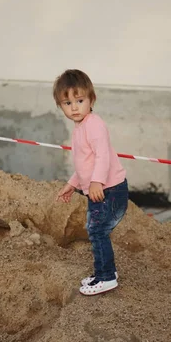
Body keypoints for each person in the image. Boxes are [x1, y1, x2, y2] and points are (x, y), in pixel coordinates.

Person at [53, 69, 128, 296]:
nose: (74, 107)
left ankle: (106, 278)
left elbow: (103, 156)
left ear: (91, 100)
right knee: (96, 230)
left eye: (80, 100)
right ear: (60, 106)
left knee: (97, 231)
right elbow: (85, 164)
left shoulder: (94, 124)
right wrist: (72, 184)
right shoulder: (80, 128)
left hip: (110, 190)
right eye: (67, 102)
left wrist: (97, 182)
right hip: (100, 189)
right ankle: (106, 271)